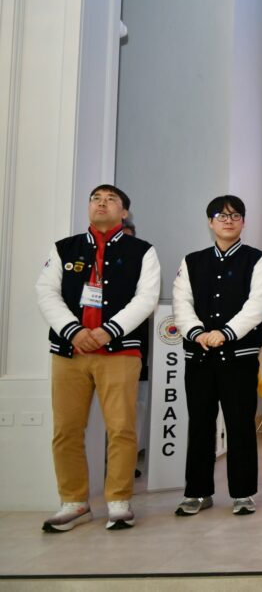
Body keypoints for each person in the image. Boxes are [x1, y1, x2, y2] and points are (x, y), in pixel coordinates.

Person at [35, 184, 160, 531]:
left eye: (111, 200)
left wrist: (109, 331)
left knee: (121, 428)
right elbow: (46, 292)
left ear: (124, 212)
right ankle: (74, 502)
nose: (102, 204)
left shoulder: (142, 251)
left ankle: (119, 501)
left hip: (119, 352)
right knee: (66, 429)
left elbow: (146, 298)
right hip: (69, 352)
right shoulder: (64, 248)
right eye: (96, 199)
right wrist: (73, 330)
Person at [171, 195, 262, 516]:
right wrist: (197, 332)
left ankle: (243, 493)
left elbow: (258, 305)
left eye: (235, 215)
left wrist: (226, 332)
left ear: (243, 222)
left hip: (239, 357)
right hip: (199, 356)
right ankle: (197, 492)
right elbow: (181, 302)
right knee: (200, 423)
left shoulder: (257, 260)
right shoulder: (192, 261)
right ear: (210, 222)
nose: (228, 220)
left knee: (240, 424)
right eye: (221, 215)